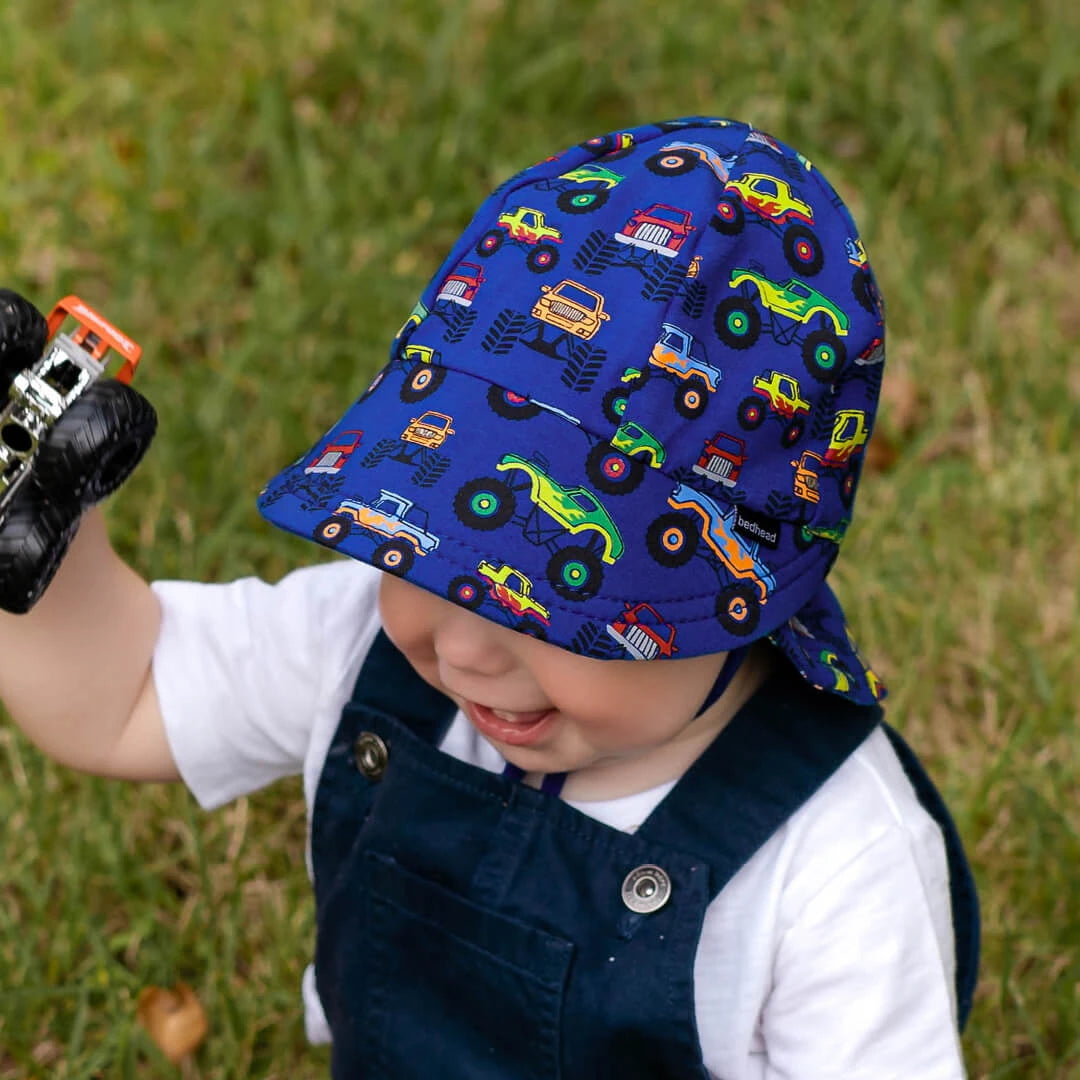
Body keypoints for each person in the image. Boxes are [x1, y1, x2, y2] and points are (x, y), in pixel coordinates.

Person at [0, 116, 979, 1078]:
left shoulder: (839, 863)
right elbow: (125, 702)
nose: (464, 648)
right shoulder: (359, 643)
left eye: (551, 599)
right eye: (429, 556)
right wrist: (40, 545)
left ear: (744, 583)